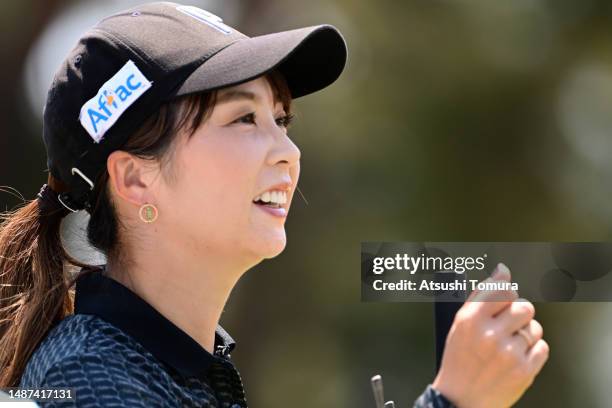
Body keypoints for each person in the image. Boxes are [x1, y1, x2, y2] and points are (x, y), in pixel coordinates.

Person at [0, 2, 548, 407]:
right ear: (135, 181)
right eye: (244, 119)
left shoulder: (163, 367)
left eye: (281, 120)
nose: (288, 152)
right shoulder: (90, 383)